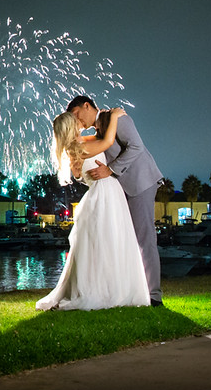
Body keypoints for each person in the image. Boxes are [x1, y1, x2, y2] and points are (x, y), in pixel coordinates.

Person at [35, 108, 151, 311]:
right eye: (75, 121)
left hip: (105, 194)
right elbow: (106, 142)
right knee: (110, 241)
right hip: (105, 195)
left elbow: (100, 137)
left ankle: (109, 286)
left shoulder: (77, 146)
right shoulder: (79, 146)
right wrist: (114, 117)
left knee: (105, 242)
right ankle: (107, 290)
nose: (79, 121)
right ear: (70, 128)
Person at [67, 95, 163, 307]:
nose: (76, 121)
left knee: (144, 239)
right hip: (120, 192)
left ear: (86, 106)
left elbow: (136, 147)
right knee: (126, 241)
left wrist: (110, 170)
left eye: (76, 115)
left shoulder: (118, 118)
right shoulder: (99, 131)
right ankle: (132, 291)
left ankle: (154, 296)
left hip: (140, 184)